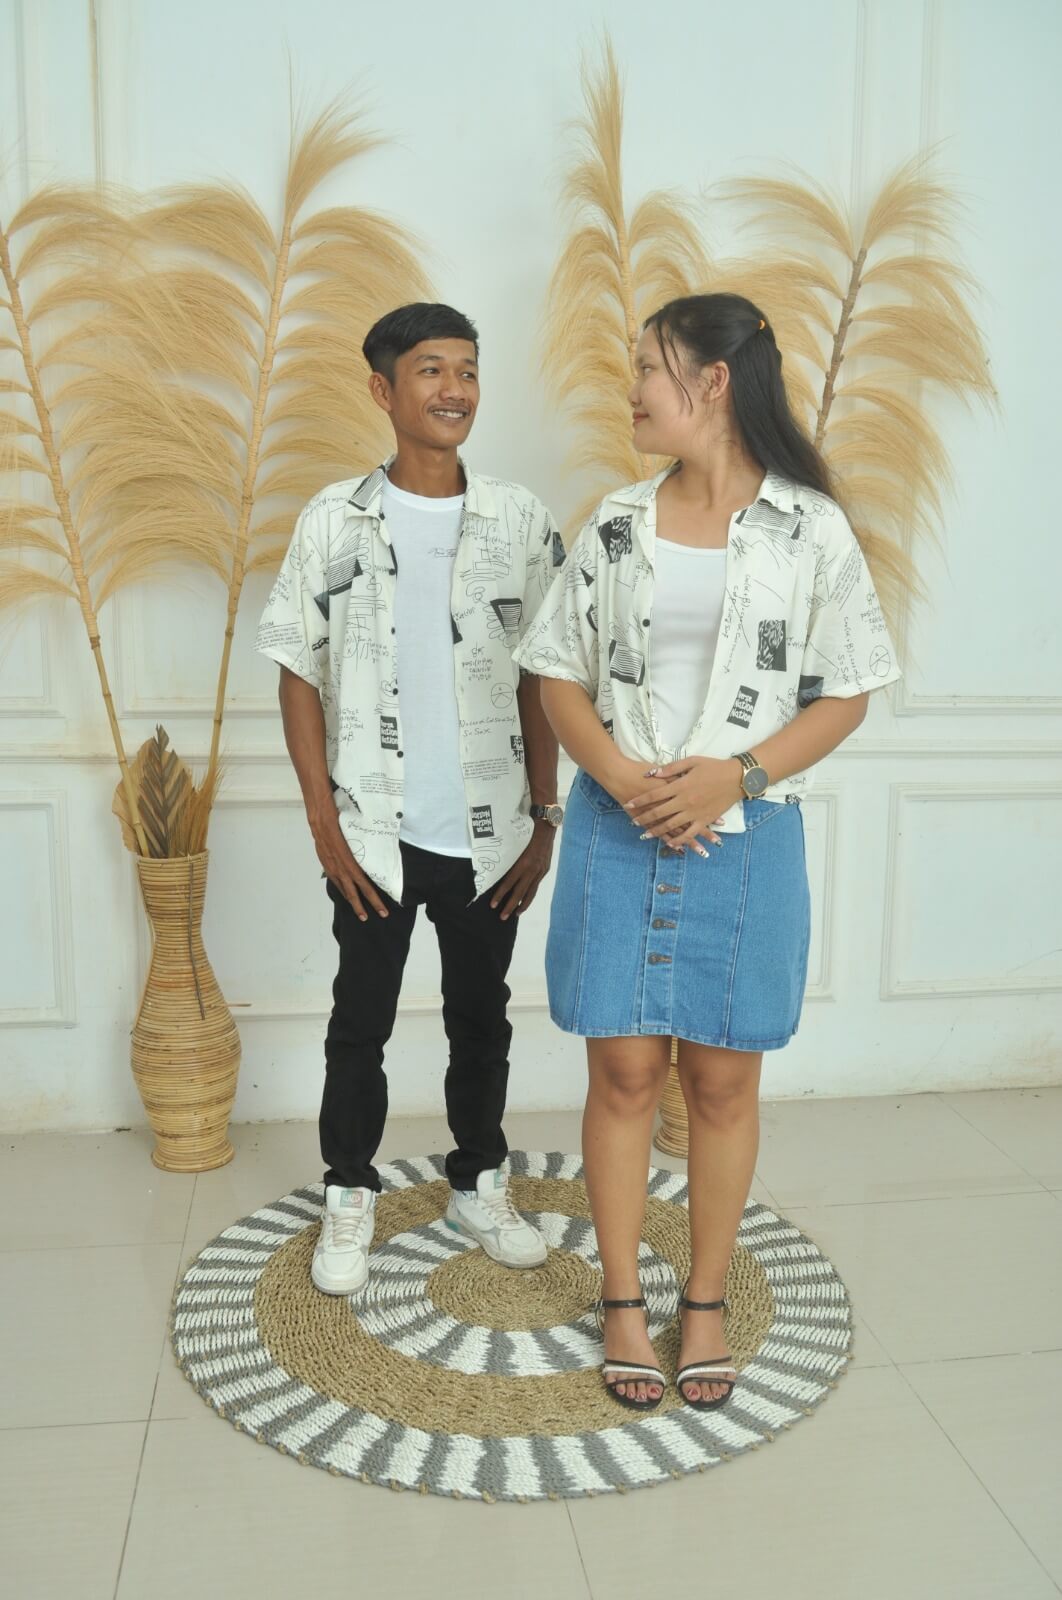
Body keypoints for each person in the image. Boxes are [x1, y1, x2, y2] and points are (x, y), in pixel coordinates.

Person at [514, 292, 901, 1410]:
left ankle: (706, 1300)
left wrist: (741, 775)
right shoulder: (617, 523)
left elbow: (848, 692)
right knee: (625, 1072)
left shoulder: (811, 529)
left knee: (725, 1083)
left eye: (649, 366)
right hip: (618, 831)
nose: (631, 389)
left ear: (714, 380)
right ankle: (623, 1300)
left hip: (746, 839)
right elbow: (556, 671)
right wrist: (616, 774)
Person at [257, 302, 565, 1296]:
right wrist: (325, 824)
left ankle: (480, 1181)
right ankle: (349, 1191)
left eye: (467, 369)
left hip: (492, 834)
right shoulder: (333, 519)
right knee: (361, 1022)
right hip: (375, 836)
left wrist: (546, 815)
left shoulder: (519, 520)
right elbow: (296, 669)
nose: (455, 389)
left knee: (484, 1020)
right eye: (431, 370)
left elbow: (547, 673)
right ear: (382, 389)